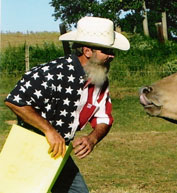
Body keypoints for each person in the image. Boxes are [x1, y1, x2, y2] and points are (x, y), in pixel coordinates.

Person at [4, 16, 130, 193]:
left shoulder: (100, 79)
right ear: (87, 51)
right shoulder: (54, 72)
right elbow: (15, 100)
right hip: (30, 149)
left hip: (59, 153)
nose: (112, 56)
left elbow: (104, 117)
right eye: (106, 51)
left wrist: (92, 138)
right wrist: (49, 130)